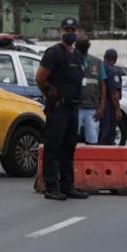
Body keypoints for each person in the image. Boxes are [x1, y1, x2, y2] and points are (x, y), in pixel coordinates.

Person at [35, 18, 88, 200]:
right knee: (53, 147)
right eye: (66, 29)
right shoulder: (54, 53)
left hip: (73, 108)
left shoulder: (78, 56)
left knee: (69, 148)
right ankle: (51, 186)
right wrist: (49, 94)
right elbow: (40, 78)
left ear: (77, 31)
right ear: (61, 31)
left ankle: (67, 185)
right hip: (58, 108)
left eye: (73, 29)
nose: (70, 32)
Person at [75, 35, 106, 145]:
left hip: (92, 109)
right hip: (75, 108)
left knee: (92, 141)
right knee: (70, 140)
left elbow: (102, 85)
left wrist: (101, 107)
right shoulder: (71, 60)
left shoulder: (97, 62)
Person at [98, 48, 124, 145]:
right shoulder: (112, 71)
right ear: (115, 59)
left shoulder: (99, 67)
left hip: (98, 104)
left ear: (104, 57)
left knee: (100, 133)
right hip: (108, 106)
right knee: (108, 134)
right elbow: (114, 93)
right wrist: (118, 109)